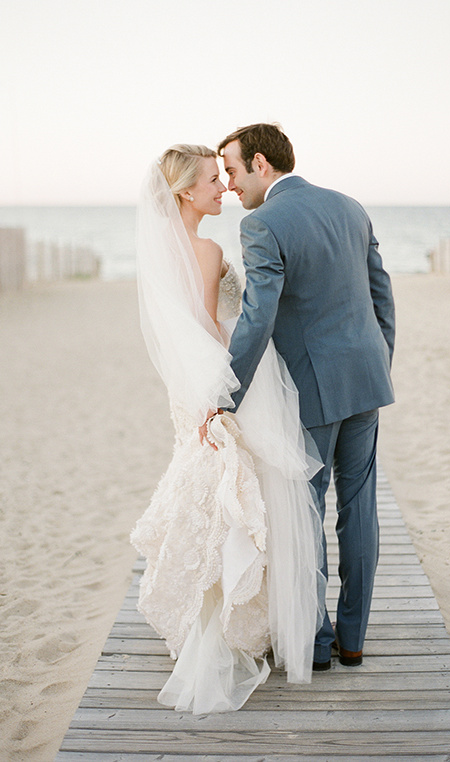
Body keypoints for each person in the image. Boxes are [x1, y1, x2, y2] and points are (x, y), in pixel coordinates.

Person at [130, 144, 324, 713]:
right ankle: (229, 623)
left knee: (207, 498)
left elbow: (178, 329)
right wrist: (229, 395)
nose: (222, 189)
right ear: (186, 192)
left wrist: (198, 396)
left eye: (223, 177)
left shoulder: (161, 253)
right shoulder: (210, 248)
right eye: (213, 181)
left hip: (186, 389)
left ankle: (198, 611)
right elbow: (210, 325)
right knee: (235, 499)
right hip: (217, 381)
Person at [208, 123, 396, 671]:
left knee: (304, 513)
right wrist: (379, 361)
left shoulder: (262, 223)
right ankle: (353, 638)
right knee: (360, 509)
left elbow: (257, 317)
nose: (231, 185)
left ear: (261, 164)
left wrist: (228, 393)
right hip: (366, 379)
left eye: (234, 171)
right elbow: (381, 293)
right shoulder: (350, 206)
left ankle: (316, 645)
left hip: (310, 389)